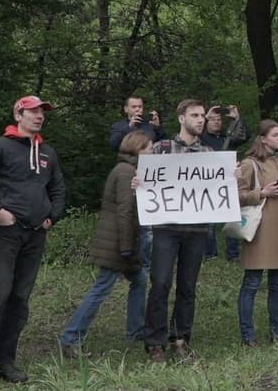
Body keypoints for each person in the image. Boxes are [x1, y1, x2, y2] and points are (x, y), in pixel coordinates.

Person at [0, 95, 66, 387]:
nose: (39, 116)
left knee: (19, 300)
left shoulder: (47, 151)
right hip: (6, 234)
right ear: (18, 114)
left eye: (42, 112)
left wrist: (52, 216)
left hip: (36, 234)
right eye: (32, 111)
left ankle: (4, 361)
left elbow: (58, 189)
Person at [58, 131, 153, 356]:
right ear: (137, 149)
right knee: (102, 288)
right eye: (149, 147)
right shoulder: (125, 172)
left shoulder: (131, 171)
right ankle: (70, 338)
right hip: (117, 243)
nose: (153, 151)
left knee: (139, 280)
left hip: (120, 241)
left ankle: (135, 331)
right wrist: (127, 248)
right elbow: (124, 211)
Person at [142, 99, 213, 363]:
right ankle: (154, 342)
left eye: (202, 115)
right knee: (160, 282)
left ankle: (180, 339)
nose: (200, 119)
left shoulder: (209, 154)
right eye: (195, 115)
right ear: (181, 118)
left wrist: (232, 178)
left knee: (188, 286)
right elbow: (146, 180)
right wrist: (139, 181)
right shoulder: (161, 149)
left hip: (196, 230)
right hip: (166, 228)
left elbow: (218, 188)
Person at [236, 120, 278, 346]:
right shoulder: (250, 164)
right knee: (252, 284)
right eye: (275, 135)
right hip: (260, 231)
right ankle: (247, 335)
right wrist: (261, 192)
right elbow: (236, 195)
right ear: (263, 138)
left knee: (277, 285)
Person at [201, 104, 249, 261]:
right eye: (212, 120)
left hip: (228, 183)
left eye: (219, 119)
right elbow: (193, 133)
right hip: (208, 183)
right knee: (209, 222)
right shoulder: (202, 139)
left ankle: (233, 254)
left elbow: (246, 136)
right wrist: (205, 116)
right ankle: (210, 253)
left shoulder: (227, 138)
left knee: (232, 218)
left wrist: (237, 118)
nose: (216, 122)